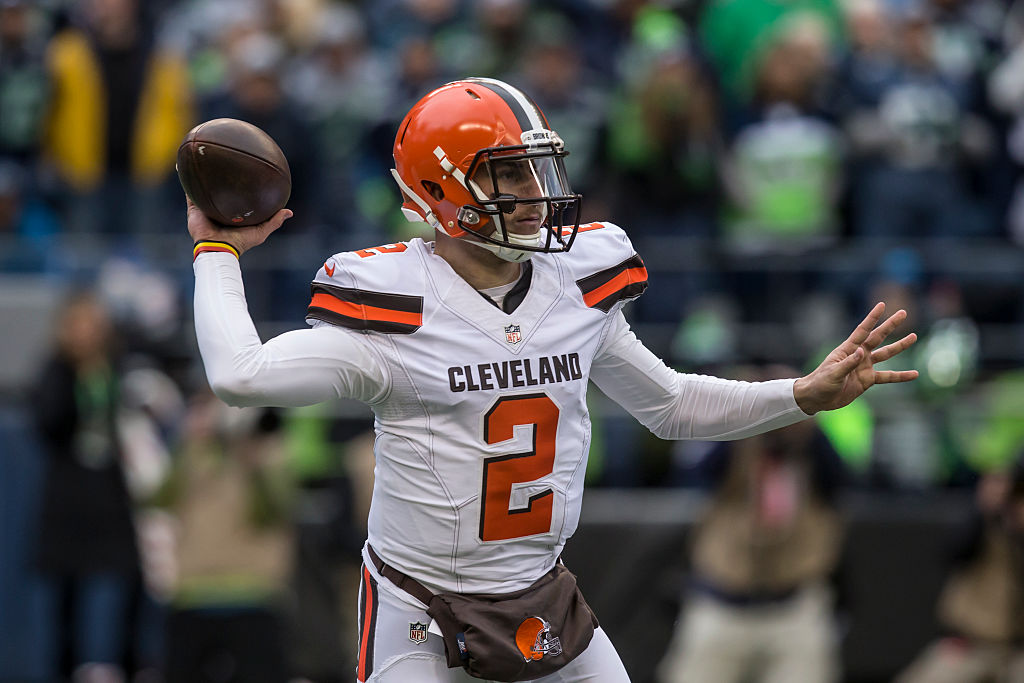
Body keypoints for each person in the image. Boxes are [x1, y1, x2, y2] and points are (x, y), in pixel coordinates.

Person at [185, 78, 918, 682]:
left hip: (542, 592)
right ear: (443, 189)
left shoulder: (575, 286)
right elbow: (240, 375)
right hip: (420, 606)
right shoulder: (396, 306)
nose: (535, 191)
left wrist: (800, 394)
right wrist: (217, 248)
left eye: (537, 167)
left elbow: (668, 404)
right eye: (507, 171)